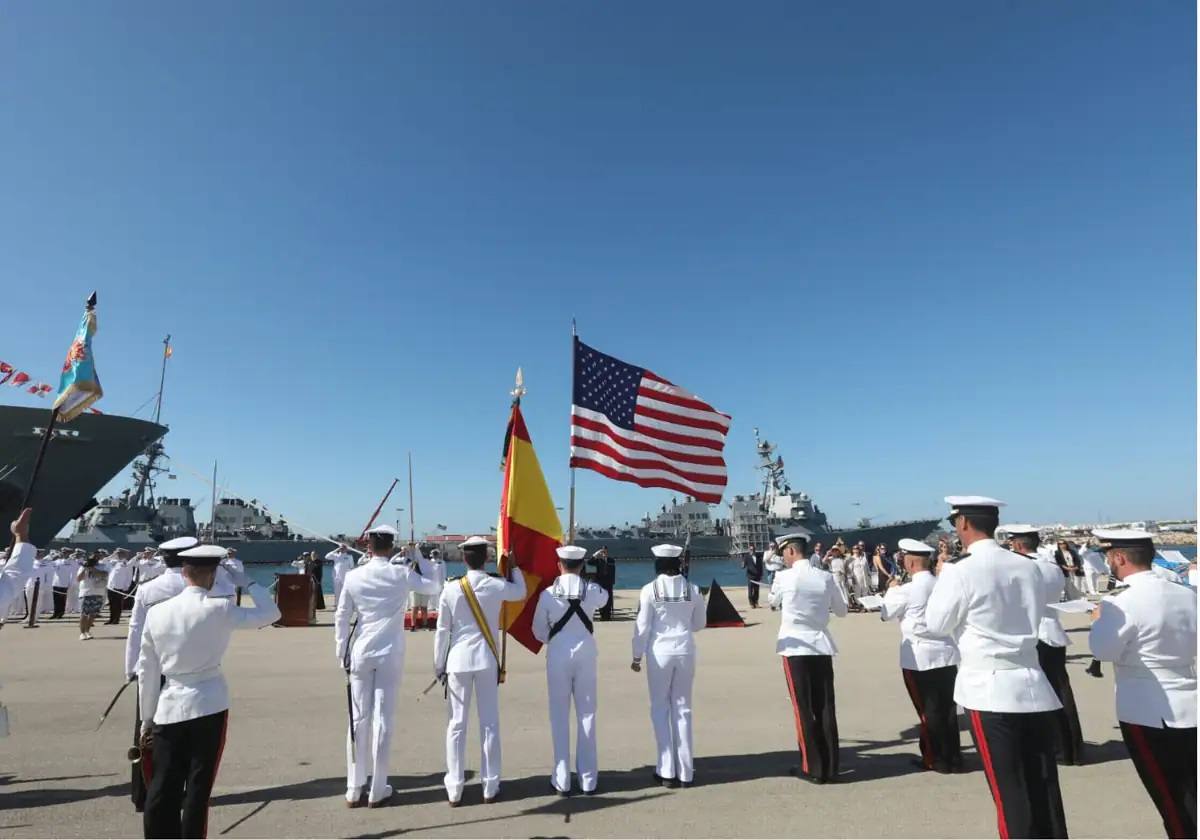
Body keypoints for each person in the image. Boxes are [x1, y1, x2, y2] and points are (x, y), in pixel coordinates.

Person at [926, 497, 1067, 839]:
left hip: (988, 689)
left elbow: (936, 624)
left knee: (1010, 790)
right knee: (1044, 784)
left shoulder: (961, 569)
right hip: (1033, 685)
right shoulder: (1027, 566)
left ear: (962, 524)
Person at [138, 543, 279, 838]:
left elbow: (147, 671)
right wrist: (248, 581)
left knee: (163, 784)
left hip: (168, 706)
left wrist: (146, 719)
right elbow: (271, 614)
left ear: (184, 571)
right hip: (209, 704)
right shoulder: (220, 608)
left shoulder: (157, 613)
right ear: (213, 575)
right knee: (198, 788)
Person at [1089, 528, 1196, 839]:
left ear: (1119, 557)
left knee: (1171, 797)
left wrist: (1098, 621)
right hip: (1189, 698)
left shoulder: (1121, 602)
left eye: (1109, 556)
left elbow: (1102, 651)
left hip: (1146, 709)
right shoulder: (1186, 594)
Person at [334, 524, 440, 808]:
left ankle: (354, 787)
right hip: (390, 653)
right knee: (384, 719)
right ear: (391, 546)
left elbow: (342, 616)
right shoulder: (401, 573)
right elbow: (433, 585)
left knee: (358, 719)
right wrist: (418, 555)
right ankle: (378, 787)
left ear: (369, 546)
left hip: (361, 651)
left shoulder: (354, 576)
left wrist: (340, 650)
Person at [433, 536, 527, 805]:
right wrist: (514, 567)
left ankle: (455, 786)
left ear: (464, 558)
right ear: (486, 558)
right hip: (486, 660)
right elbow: (520, 592)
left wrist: (438, 665)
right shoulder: (496, 585)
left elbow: (442, 631)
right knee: (489, 724)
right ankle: (490, 785)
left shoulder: (450, 589)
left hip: (458, 662)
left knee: (456, 725)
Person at [125, 536, 200, 813]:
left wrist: (130, 668)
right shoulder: (199, 587)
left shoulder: (147, 589)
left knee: (146, 730)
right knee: (184, 734)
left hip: (152, 667)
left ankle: (143, 793)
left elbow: (135, 629)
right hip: (188, 668)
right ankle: (181, 793)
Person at [768, 532, 847, 784]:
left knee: (803, 708)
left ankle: (811, 767)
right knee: (825, 707)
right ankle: (831, 765)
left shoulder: (783, 577)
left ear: (790, 551)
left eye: (784, 554)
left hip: (795, 649)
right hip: (821, 646)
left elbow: (772, 602)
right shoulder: (825, 577)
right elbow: (842, 610)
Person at [532, 545, 609, 796]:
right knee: (587, 714)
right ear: (582, 565)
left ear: (559, 565)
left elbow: (538, 630)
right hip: (586, 654)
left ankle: (562, 778)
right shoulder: (592, 590)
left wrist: (555, 641)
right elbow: (606, 598)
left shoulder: (548, 594)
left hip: (558, 655)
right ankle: (588, 779)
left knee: (559, 715)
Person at [880, 538, 962, 773]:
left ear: (910, 562)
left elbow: (885, 614)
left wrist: (891, 590)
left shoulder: (906, 589)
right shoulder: (942, 585)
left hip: (919, 656)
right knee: (947, 709)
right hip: (946, 653)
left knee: (927, 711)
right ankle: (953, 756)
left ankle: (935, 758)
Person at [1008, 524, 1084, 766]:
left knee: (1041, 693)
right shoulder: (1052, 567)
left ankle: (1055, 747)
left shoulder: (1021, 568)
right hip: (1053, 629)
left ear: (1018, 545)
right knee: (1061, 689)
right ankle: (1070, 746)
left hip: (1033, 633)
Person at [631, 543, 706, 789]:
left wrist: (636, 656)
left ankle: (666, 770)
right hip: (685, 649)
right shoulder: (693, 589)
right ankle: (687, 772)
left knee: (660, 708)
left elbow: (642, 627)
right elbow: (699, 624)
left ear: (658, 564)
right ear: (678, 563)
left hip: (659, 652)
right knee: (683, 710)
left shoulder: (649, 590)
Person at [76, 552, 108, 640]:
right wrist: (85, 568)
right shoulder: (83, 567)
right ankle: (82, 633)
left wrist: (92, 568)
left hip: (98, 592)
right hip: (86, 593)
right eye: (93, 558)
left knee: (93, 614)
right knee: (84, 614)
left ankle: (87, 631)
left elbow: (104, 574)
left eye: (97, 557)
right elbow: (78, 579)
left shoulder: (102, 566)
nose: (95, 559)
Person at [105, 549, 135, 624]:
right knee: (111, 604)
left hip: (119, 587)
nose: (118, 555)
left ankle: (116, 619)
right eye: (118, 554)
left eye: (120, 554)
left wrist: (126, 586)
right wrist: (112, 555)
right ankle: (111, 619)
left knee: (118, 604)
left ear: (124, 555)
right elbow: (104, 561)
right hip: (110, 586)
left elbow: (129, 576)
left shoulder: (126, 564)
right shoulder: (113, 562)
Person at [326, 543, 356, 609]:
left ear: (346, 549)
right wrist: (337, 549)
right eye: (341, 548)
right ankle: (337, 606)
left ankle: (347, 605)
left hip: (346, 578)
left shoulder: (349, 557)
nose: (342, 549)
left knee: (346, 593)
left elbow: (352, 567)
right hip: (337, 578)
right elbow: (327, 556)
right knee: (337, 593)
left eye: (343, 548)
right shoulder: (336, 556)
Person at [51, 550, 79, 618]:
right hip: (56, 583)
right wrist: (55, 557)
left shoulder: (71, 562)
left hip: (65, 583)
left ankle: (61, 613)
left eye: (66, 553)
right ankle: (55, 613)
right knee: (56, 600)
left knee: (62, 600)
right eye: (63, 553)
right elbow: (50, 564)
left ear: (68, 554)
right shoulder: (57, 561)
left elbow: (75, 569)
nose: (64, 554)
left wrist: (72, 558)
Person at [591, 547, 615, 621]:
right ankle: (602, 615)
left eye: (605, 551)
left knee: (609, 599)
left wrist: (613, 581)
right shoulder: (598, 560)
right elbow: (589, 562)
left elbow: (613, 571)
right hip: (600, 583)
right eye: (602, 551)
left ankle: (608, 615)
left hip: (609, 583)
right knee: (601, 598)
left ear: (607, 552)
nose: (604, 553)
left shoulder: (611, 560)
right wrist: (595, 555)